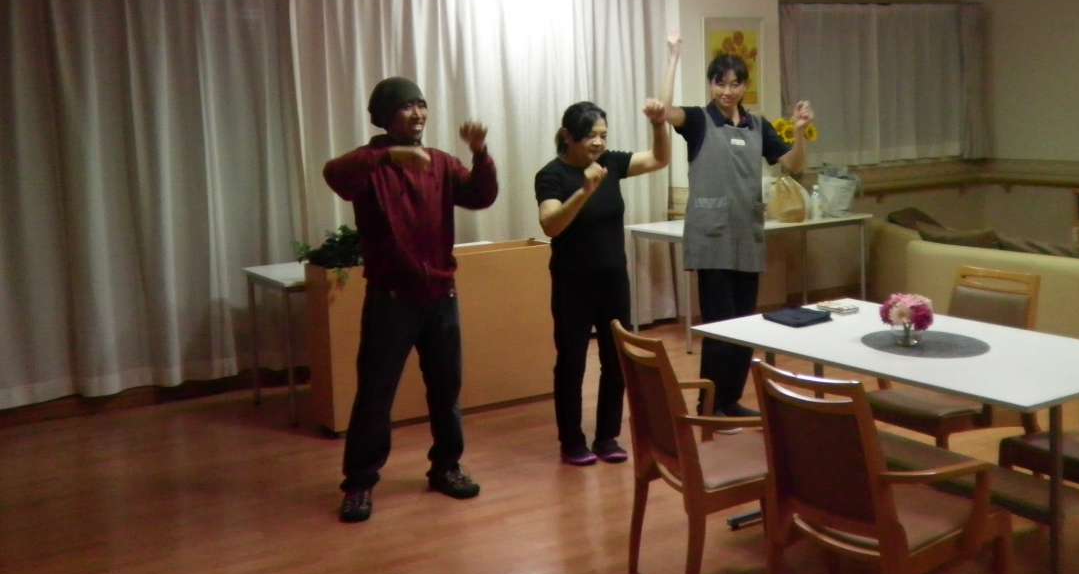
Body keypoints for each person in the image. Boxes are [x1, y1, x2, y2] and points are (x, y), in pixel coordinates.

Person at [323, 76, 498, 522]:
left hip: (441, 294)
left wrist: (480, 154)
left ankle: (446, 467)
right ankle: (359, 483)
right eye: (406, 106)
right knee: (375, 394)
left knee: (446, 390)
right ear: (385, 117)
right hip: (391, 299)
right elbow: (334, 174)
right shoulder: (369, 165)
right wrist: (388, 155)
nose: (418, 113)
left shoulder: (440, 162)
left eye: (421, 104)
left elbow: (481, 196)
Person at [534, 39, 680, 466]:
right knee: (572, 361)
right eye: (591, 136)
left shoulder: (611, 163)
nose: (599, 143)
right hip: (572, 282)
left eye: (603, 135)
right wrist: (585, 191)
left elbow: (659, 159)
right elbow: (551, 224)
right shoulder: (552, 175)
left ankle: (607, 437)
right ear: (568, 137)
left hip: (613, 278)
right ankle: (572, 441)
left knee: (617, 359)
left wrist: (658, 124)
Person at [663, 54, 813, 418]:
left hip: (747, 236)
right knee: (721, 327)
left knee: (746, 326)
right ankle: (710, 405)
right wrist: (674, 56)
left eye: (735, 84)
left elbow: (793, 164)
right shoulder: (698, 121)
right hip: (712, 240)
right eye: (720, 83)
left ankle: (730, 401)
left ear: (745, 86)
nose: (727, 91)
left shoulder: (757, 125)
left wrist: (799, 131)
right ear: (711, 84)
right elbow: (665, 112)